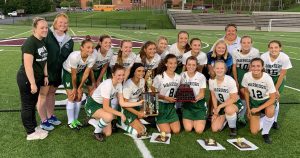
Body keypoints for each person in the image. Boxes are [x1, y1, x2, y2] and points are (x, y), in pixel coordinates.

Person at [85, 64, 144, 141]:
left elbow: (122, 103)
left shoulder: (119, 84)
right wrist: (120, 114)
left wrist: (138, 103)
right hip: (93, 105)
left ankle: (91, 120)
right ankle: (96, 132)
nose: (121, 77)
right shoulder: (107, 85)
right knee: (109, 117)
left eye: (123, 75)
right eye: (119, 75)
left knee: (108, 133)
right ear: (113, 75)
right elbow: (106, 107)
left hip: (104, 105)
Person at [39, 13, 74, 130]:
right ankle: (43, 120)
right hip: (46, 71)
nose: (63, 25)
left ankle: (50, 116)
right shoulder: (47, 34)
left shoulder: (69, 40)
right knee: (43, 94)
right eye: (60, 22)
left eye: (65, 23)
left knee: (52, 93)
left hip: (58, 72)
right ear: (55, 23)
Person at [17, 17, 49, 140]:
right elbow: (28, 66)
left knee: (32, 104)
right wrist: (32, 83)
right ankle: (30, 133)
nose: (45, 29)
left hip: (37, 78)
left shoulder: (42, 41)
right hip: (27, 79)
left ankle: (34, 127)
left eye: (46, 27)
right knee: (27, 105)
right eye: (42, 28)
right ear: (35, 29)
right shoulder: (30, 43)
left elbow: (44, 59)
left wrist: (45, 75)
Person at [62, 36, 95, 129]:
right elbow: (73, 75)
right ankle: (70, 122)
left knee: (79, 96)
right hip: (68, 73)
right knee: (72, 96)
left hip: (80, 72)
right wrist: (75, 88)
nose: (91, 49)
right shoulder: (74, 56)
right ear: (82, 47)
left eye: (92, 47)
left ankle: (75, 120)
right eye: (88, 47)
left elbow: (86, 74)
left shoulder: (92, 57)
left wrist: (80, 87)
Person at [242, 58, 276, 144]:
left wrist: (258, 109)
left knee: (270, 110)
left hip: (266, 100)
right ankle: (268, 118)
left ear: (262, 67)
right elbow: (246, 92)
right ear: (250, 67)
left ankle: (266, 133)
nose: (255, 68)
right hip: (254, 101)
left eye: (258, 66)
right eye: (253, 66)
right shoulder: (247, 76)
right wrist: (248, 108)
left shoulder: (267, 78)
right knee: (254, 131)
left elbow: (272, 98)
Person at [261, 40, 292, 129]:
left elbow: (282, 74)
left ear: (280, 48)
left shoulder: (284, 57)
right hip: (267, 78)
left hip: (278, 78)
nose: (273, 49)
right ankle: (265, 114)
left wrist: (275, 89)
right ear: (268, 48)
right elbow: (262, 71)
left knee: (275, 98)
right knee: (265, 96)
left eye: (276, 47)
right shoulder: (264, 56)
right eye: (271, 47)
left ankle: (274, 120)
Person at [209, 61, 243, 137]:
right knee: (215, 129)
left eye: (222, 68)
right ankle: (226, 117)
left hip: (234, 103)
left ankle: (233, 128)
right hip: (223, 104)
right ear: (214, 69)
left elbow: (234, 98)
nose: (219, 70)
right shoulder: (211, 80)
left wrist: (219, 107)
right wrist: (215, 109)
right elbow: (213, 95)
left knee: (229, 109)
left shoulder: (230, 80)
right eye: (217, 68)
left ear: (225, 69)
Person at [231, 36, 260, 124]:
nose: (246, 44)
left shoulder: (255, 52)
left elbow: (254, 66)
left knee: (245, 92)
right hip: (238, 72)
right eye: (244, 42)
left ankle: (243, 114)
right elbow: (234, 67)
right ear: (240, 43)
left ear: (252, 43)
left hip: (250, 72)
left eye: (248, 42)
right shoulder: (235, 51)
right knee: (238, 92)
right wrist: (236, 80)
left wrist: (248, 78)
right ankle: (239, 112)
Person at [152, 54, 181, 134]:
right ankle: (157, 120)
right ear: (166, 64)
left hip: (171, 106)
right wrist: (165, 98)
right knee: (167, 132)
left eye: (175, 63)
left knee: (176, 131)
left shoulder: (178, 77)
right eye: (170, 63)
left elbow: (178, 91)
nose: (173, 65)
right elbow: (153, 93)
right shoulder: (159, 77)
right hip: (160, 105)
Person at [119, 63, 148, 137]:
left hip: (137, 105)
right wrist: (138, 113)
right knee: (140, 131)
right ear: (134, 72)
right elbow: (125, 105)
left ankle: (136, 120)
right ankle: (120, 123)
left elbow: (141, 95)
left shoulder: (142, 81)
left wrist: (142, 108)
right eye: (139, 71)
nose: (141, 73)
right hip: (128, 108)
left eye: (143, 71)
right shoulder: (128, 85)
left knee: (144, 129)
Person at [181, 56, 207, 134]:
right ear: (186, 65)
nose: (191, 67)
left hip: (199, 105)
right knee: (188, 129)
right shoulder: (182, 75)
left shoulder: (201, 76)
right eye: (189, 64)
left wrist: (195, 99)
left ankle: (200, 117)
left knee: (199, 130)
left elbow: (202, 94)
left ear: (196, 66)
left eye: (193, 65)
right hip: (187, 105)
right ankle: (187, 116)